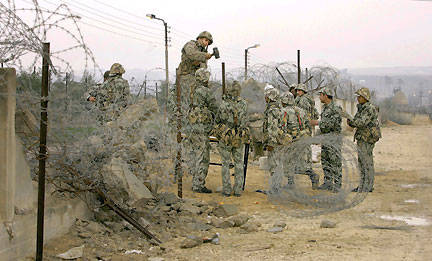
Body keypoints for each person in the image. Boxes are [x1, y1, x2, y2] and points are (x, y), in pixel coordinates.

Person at [186, 68, 218, 193]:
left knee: (195, 155)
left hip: (193, 127)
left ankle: (195, 181)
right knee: (203, 157)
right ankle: (198, 185)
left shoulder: (193, 90)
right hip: (202, 128)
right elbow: (214, 106)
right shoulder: (205, 91)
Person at [215, 81, 249, 197]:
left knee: (225, 163)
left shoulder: (223, 104)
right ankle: (238, 189)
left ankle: (227, 190)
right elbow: (245, 121)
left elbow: (218, 120)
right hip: (238, 136)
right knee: (239, 163)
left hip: (226, 136)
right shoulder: (244, 104)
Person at [280, 92, 319, 189]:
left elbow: (283, 127)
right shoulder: (301, 110)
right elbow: (307, 124)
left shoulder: (284, 111)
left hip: (292, 141)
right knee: (303, 163)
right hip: (303, 139)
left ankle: (291, 183)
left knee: (289, 162)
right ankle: (312, 177)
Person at [347, 87, 381, 192]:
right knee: (362, 161)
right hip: (363, 137)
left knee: (366, 161)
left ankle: (367, 185)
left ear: (365, 97)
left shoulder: (369, 108)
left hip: (367, 138)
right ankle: (363, 185)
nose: (358, 98)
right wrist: (351, 121)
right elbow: (357, 121)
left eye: (360, 96)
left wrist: (351, 121)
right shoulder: (362, 108)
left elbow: (361, 122)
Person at [178, 31, 214, 125]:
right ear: (200, 38)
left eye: (208, 43)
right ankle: (184, 123)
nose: (206, 43)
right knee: (186, 102)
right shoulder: (191, 45)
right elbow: (191, 54)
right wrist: (204, 56)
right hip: (187, 77)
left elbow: (203, 67)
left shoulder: (203, 52)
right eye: (206, 40)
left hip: (197, 81)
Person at [311, 86, 342, 192]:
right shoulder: (325, 108)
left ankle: (337, 185)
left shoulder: (335, 108)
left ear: (325, 95)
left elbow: (333, 124)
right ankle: (328, 183)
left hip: (334, 139)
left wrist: (318, 123)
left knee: (335, 162)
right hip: (326, 138)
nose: (319, 97)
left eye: (321, 95)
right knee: (326, 161)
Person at [293, 83, 319, 179]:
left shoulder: (303, 100)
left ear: (303, 91)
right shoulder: (309, 100)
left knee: (303, 150)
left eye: (299, 90)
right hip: (306, 128)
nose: (298, 92)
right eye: (297, 90)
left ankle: (309, 172)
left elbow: (301, 115)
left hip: (303, 128)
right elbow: (315, 114)